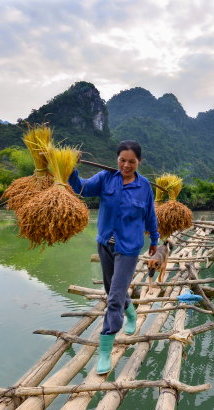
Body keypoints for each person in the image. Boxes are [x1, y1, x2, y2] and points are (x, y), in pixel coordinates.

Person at [68, 140, 159, 375]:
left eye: (131, 161)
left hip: (129, 248)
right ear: (116, 159)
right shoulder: (106, 178)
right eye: (122, 160)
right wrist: (70, 168)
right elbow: (81, 188)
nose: (126, 165)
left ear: (139, 162)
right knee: (112, 292)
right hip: (105, 243)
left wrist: (155, 241)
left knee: (115, 297)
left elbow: (150, 215)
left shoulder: (144, 186)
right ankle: (130, 311)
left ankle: (105, 349)